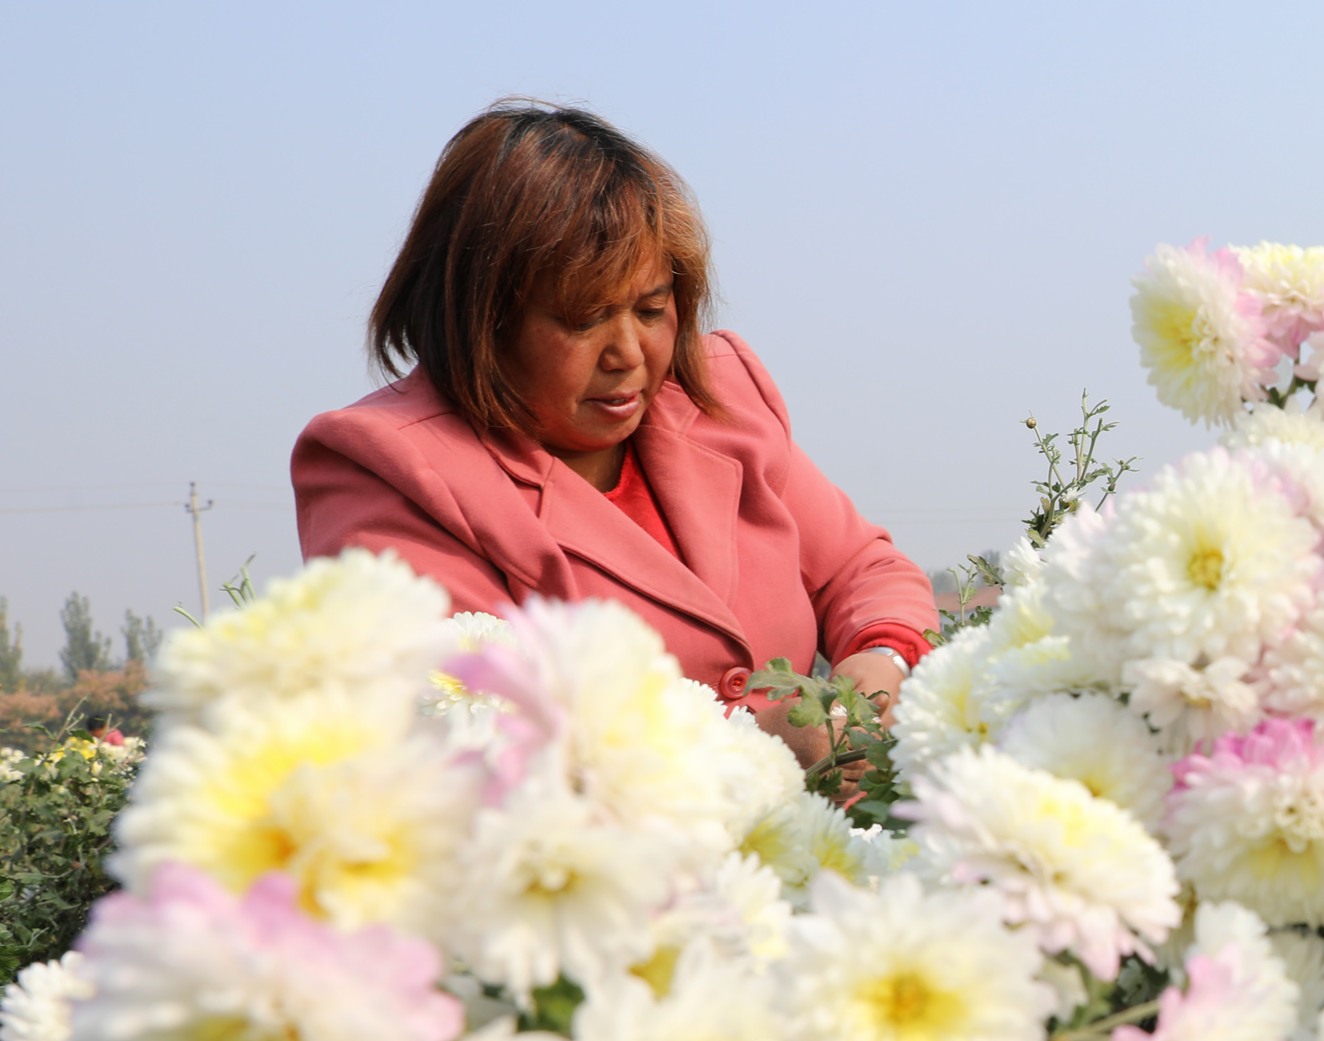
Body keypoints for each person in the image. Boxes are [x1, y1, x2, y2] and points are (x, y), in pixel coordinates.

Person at [292, 102, 932, 753]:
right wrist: (756, 744)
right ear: (480, 319)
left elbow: (864, 569)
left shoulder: (718, 395)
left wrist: (879, 664)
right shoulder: (386, 471)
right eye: (582, 319)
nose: (628, 353)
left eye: (653, 309)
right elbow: (475, 736)